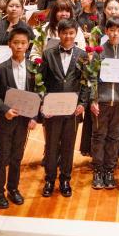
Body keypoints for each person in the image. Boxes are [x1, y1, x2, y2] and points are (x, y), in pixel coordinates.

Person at [0, 27, 38, 209]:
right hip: (5, 120)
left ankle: (13, 188)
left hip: (23, 121)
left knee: (17, 156)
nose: (19, 46)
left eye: (23, 43)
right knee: (2, 157)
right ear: (9, 44)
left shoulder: (33, 69)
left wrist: (34, 116)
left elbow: (36, 94)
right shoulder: (1, 69)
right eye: (16, 42)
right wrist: (5, 110)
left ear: (28, 45)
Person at [40, 19, 88, 198]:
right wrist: (43, 103)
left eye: (71, 33)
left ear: (75, 34)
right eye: (64, 33)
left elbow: (86, 82)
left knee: (68, 146)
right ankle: (49, 179)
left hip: (72, 109)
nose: (68, 36)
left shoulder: (82, 55)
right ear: (58, 34)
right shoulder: (48, 54)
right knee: (51, 146)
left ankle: (65, 179)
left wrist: (83, 103)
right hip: (52, 109)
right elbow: (41, 81)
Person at [89, 17, 119, 189]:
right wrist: (93, 99)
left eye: (118, 30)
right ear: (106, 31)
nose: (115, 34)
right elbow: (92, 77)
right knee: (99, 136)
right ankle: (97, 170)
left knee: (115, 136)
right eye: (111, 30)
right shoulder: (99, 51)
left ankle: (109, 170)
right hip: (102, 101)